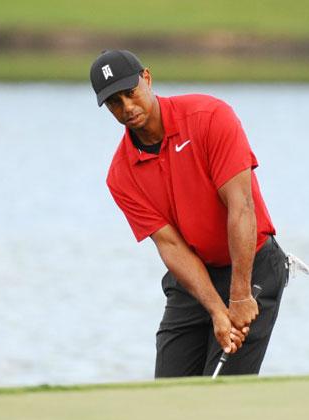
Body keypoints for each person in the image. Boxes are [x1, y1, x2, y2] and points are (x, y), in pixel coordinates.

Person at [90, 50, 289, 378]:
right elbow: (171, 247)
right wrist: (216, 309)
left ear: (147, 79)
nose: (127, 107)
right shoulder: (121, 175)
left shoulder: (209, 117)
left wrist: (238, 298)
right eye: (114, 102)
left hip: (250, 269)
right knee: (170, 393)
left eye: (131, 93)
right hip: (192, 281)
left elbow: (241, 207)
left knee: (222, 394)